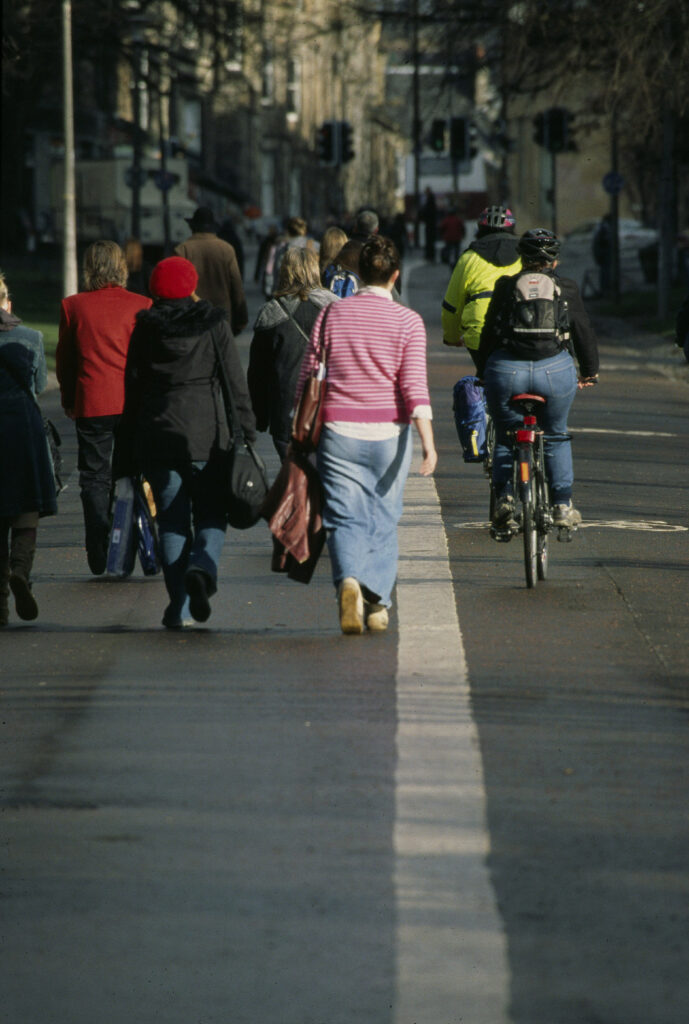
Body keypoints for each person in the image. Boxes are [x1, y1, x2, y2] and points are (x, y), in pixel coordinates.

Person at [295, 235, 437, 635]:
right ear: (395, 275)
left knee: (342, 517)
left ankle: (350, 582)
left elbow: (309, 375)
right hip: (389, 435)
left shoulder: (333, 315)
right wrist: (427, 442)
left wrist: (298, 424)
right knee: (384, 517)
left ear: (358, 272)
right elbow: (414, 387)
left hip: (338, 430)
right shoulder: (408, 322)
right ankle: (377, 603)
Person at [113, 256, 257, 629]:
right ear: (192, 286)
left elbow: (133, 389)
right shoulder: (212, 325)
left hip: (158, 438)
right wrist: (246, 429)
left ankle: (179, 605)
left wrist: (126, 449)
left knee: (173, 523)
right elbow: (233, 381)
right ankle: (203, 567)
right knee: (212, 513)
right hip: (208, 437)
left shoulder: (145, 330)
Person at [476, 228, 599, 531]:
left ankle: (504, 499)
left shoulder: (505, 287)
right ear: (554, 261)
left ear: (521, 257)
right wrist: (589, 371)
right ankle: (560, 505)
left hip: (507, 372)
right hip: (553, 372)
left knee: (507, 434)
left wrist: (484, 372)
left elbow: (489, 333)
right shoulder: (566, 287)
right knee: (556, 435)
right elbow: (582, 332)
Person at [57, 240, 152, 574]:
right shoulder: (142, 304)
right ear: (121, 267)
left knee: (94, 478)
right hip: (131, 403)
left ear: (89, 268)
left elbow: (66, 362)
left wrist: (69, 399)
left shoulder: (73, 307)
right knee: (129, 474)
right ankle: (125, 546)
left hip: (92, 400)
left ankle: (98, 550)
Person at [0, 271, 57, 625]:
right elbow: (38, 385)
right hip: (23, 429)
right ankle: (20, 570)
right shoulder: (31, 337)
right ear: (6, 302)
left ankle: (0, 606)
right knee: (26, 511)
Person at [249, 247, 337, 460]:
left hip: (286, 415)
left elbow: (257, 374)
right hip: (331, 411)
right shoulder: (336, 307)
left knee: (295, 482)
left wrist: (261, 417)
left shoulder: (270, 313)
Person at [442, 205, 521, 368]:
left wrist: (452, 336)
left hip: (480, 332)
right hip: (521, 329)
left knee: (487, 379)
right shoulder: (525, 255)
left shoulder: (468, 257)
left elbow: (452, 305)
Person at [174, 206, 248, 336]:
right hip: (222, 316)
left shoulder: (182, 250)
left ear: (192, 227)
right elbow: (236, 285)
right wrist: (241, 318)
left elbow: (176, 287)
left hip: (192, 316)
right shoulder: (226, 249)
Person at [421, 187, 437, 262]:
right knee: (431, 241)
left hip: (430, 225)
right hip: (431, 224)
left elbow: (426, 212)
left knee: (429, 241)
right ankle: (430, 255)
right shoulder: (431, 201)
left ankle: (429, 255)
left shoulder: (429, 201)